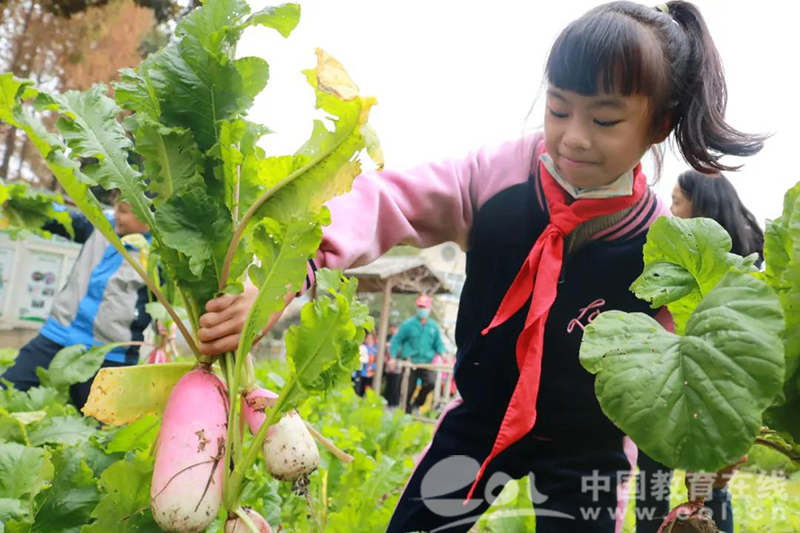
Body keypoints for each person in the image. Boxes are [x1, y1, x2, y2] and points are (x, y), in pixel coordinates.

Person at [196, 2, 766, 531]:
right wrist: (284, 277)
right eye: (559, 108)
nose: (573, 137)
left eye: (605, 121)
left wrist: (716, 423)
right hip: (480, 421)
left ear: (658, 126)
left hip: (589, 448)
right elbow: (385, 203)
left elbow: (683, 360)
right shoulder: (494, 177)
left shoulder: (662, 243)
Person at [636, 170, 765, 533]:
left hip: (703, 390)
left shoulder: (739, 271)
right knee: (665, 484)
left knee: (693, 487)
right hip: (667, 383)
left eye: (676, 201)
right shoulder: (672, 257)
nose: (670, 210)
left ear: (701, 206)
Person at [2, 193, 151, 409]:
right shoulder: (100, 226)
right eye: (117, 207)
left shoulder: (160, 257)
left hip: (109, 354)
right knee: (6, 389)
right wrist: (18, 202)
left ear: (147, 216)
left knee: (101, 428)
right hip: (57, 335)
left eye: (124, 211)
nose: (116, 215)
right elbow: (58, 217)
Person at [390, 295, 446, 414]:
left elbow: (438, 344)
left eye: (424, 307)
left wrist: (443, 353)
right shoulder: (408, 325)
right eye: (420, 307)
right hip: (411, 362)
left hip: (427, 363)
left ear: (429, 309)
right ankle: (406, 411)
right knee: (408, 389)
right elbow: (396, 340)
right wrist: (392, 357)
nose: (422, 310)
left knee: (431, 382)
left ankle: (417, 404)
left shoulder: (433, 327)